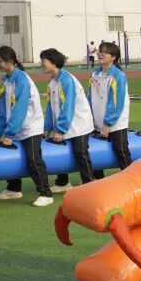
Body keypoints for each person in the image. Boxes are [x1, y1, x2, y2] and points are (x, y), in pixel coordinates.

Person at [0, 45, 53, 207]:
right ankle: (14, 188)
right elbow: (3, 107)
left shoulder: (22, 79)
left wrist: (9, 133)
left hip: (30, 127)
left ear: (11, 61)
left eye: (0, 61)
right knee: (9, 157)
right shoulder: (6, 80)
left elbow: (20, 108)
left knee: (34, 160)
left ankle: (46, 193)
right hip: (15, 127)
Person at [41, 48, 94, 194]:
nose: (42, 64)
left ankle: (90, 183)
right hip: (64, 124)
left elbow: (68, 106)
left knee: (80, 152)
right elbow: (51, 106)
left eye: (44, 61)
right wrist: (48, 127)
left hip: (79, 124)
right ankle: (62, 182)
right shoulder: (52, 81)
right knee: (59, 151)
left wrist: (60, 129)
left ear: (53, 62)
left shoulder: (66, 80)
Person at [88, 41, 131, 179]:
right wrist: (90, 119)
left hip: (116, 123)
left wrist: (108, 123)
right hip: (97, 121)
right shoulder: (95, 74)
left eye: (105, 52)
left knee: (121, 150)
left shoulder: (118, 76)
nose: (100, 54)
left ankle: (130, 179)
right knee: (96, 152)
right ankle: (98, 181)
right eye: (100, 51)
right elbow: (90, 97)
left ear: (113, 57)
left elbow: (116, 102)